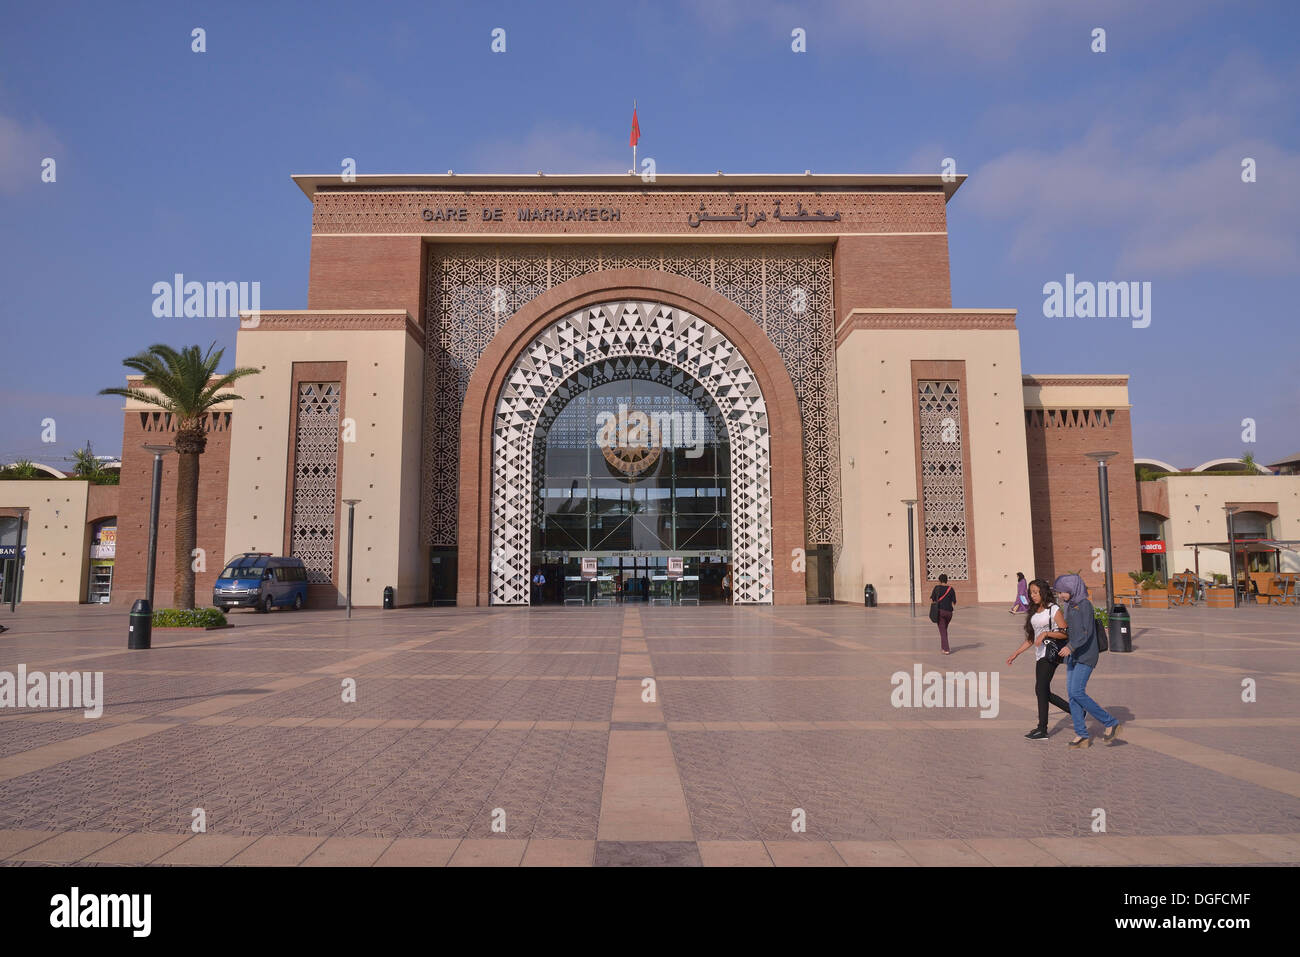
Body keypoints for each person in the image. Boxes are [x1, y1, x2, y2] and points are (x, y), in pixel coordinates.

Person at [1053, 573, 1122, 749]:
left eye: (1063, 592)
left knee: (1077, 692)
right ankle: (1082, 735)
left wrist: (1071, 646)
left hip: (1086, 655)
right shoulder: (1070, 605)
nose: (1061, 596)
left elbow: (1086, 632)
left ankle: (1110, 722)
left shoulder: (1084, 605)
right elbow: (1071, 630)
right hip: (1074, 655)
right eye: (1059, 593)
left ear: (1072, 589)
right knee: (1072, 694)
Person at [1006, 579, 1070, 739]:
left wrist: (1046, 633)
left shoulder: (1053, 609)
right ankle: (1076, 711)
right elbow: (1031, 638)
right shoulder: (1034, 611)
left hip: (1050, 655)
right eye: (1031, 593)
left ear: (1043, 592)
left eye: (1036, 592)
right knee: (1042, 691)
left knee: (1040, 689)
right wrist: (1016, 653)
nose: (1033, 596)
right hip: (1039, 654)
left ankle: (1042, 729)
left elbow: (1064, 632)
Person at [929, 574, 956, 655]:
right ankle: (943, 647)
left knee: (943, 631)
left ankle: (946, 649)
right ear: (946, 580)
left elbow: (932, 599)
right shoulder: (951, 589)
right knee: (944, 630)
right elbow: (954, 602)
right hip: (949, 613)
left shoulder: (937, 588)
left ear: (939, 580)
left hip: (940, 612)